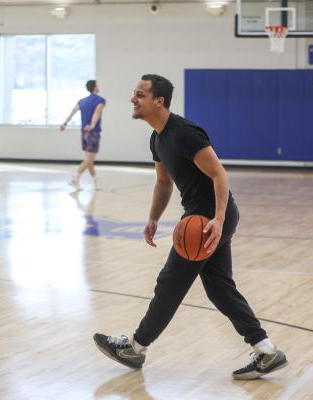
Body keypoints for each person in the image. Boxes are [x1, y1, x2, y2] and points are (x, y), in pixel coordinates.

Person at [93, 74, 288, 380]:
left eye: (140, 94)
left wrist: (219, 220)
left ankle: (135, 347)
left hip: (207, 218)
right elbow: (162, 181)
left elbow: (219, 175)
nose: (133, 99)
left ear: (159, 101)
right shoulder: (157, 138)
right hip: (205, 217)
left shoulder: (184, 133)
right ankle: (266, 350)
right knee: (220, 289)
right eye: (134, 93)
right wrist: (153, 218)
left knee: (170, 283)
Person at [60, 80, 106, 191]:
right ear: (95, 87)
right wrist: (93, 124)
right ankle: (75, 178)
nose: (99, 86)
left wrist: (65, 123)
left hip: (84, 133)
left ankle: (95, 183)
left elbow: (73, 111)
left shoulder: (82, 101)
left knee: (89, 159)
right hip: (93, 132)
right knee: (90, 159)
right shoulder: (100, 100)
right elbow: (97, 113)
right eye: (98, 85)